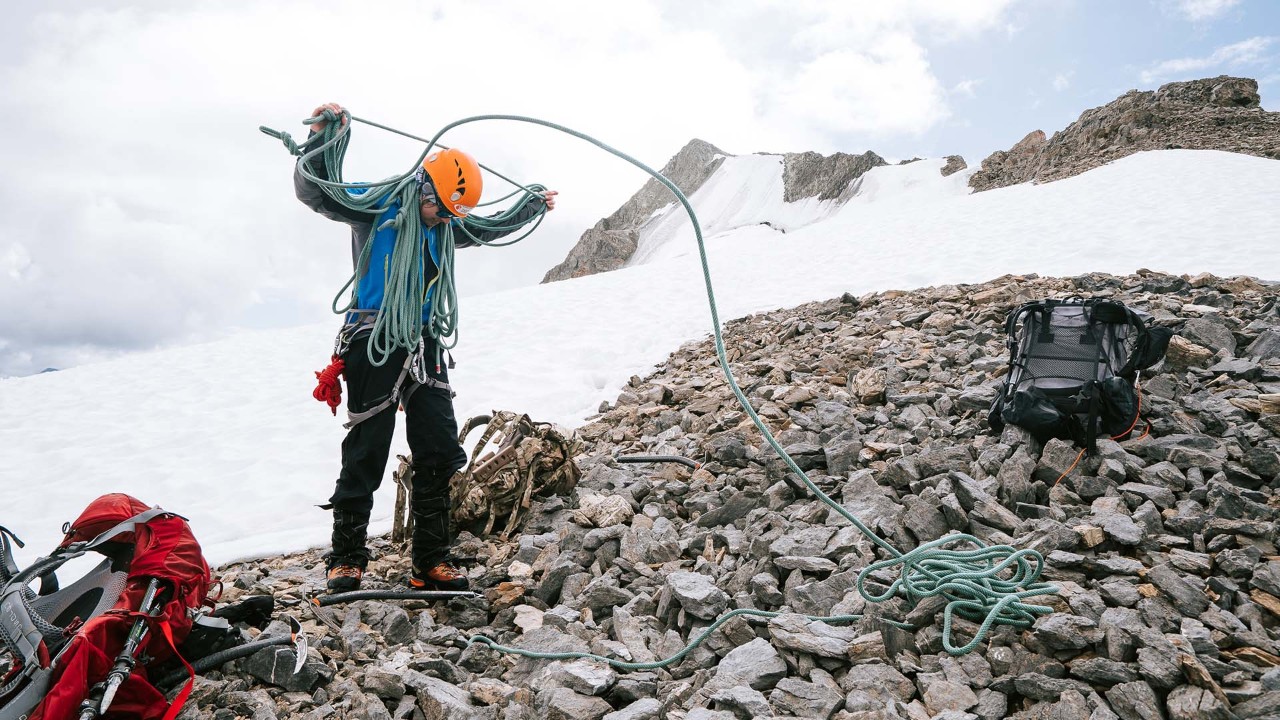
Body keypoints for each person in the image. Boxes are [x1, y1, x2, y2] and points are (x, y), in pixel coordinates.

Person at [294, 102, 558, 592]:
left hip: (424, 344)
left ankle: (431, 560)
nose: (441, 221)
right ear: (425, 186)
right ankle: (347, 558)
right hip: (373, 338)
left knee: (438, 448)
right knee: (367, 449)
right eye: (438, 208)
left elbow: (488, 227)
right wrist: (323, 138)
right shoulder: (378, 204)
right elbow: (319, 192)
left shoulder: (448, 221)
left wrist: (529, 205)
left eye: (451, 215)